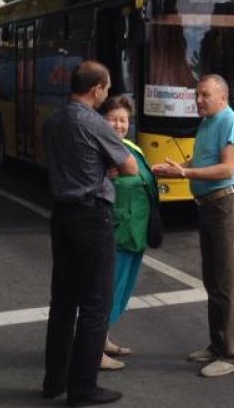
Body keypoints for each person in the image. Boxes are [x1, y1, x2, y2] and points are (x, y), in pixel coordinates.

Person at [41, 61, 138, 407]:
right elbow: (128, 166)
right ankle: (83, 387)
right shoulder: (93, 123)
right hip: (91, 217)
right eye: (107, 89)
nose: (107, 95)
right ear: (96, 88)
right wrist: (103, 169)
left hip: (62, 216)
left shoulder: (55, 120)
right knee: (96, 305)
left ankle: (54, 381)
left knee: (63, 304)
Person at [152, 74, 234, 378]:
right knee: (213, 280)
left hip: (226, 205)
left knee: (227, 283)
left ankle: (233, 355)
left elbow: (226, 168)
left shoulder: (231, 122)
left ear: (223, 96)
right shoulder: (208, 123)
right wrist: (176, 170)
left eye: (204, 95)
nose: (198, 100)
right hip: (209, 207)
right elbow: (201, 160)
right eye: (197, 95)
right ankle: (217, 344)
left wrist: (185, 175)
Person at [99, 95, 158, 372]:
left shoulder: (130, 145)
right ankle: (95, 349)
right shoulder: (101, 149)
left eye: (123, 119)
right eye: (113, 119)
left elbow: (141, 176)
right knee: (108, 290)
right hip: (117, 231)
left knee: (122, 288)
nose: (119, 125)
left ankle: (104, 339)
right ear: (102, 120)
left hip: (136, 231)